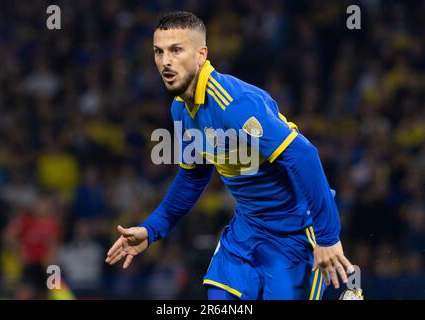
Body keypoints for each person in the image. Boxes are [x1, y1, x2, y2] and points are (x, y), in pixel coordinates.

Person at [105, 11, 354, 300]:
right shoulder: (180, 110)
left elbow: (304, 156)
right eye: (158, 52)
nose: (165, 62)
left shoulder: (233, 103)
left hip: (295, 232)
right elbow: (193, 176)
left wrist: (327, 237)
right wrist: (152, 229)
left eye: (176, 50)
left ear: (201, 54)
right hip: (247, 230)